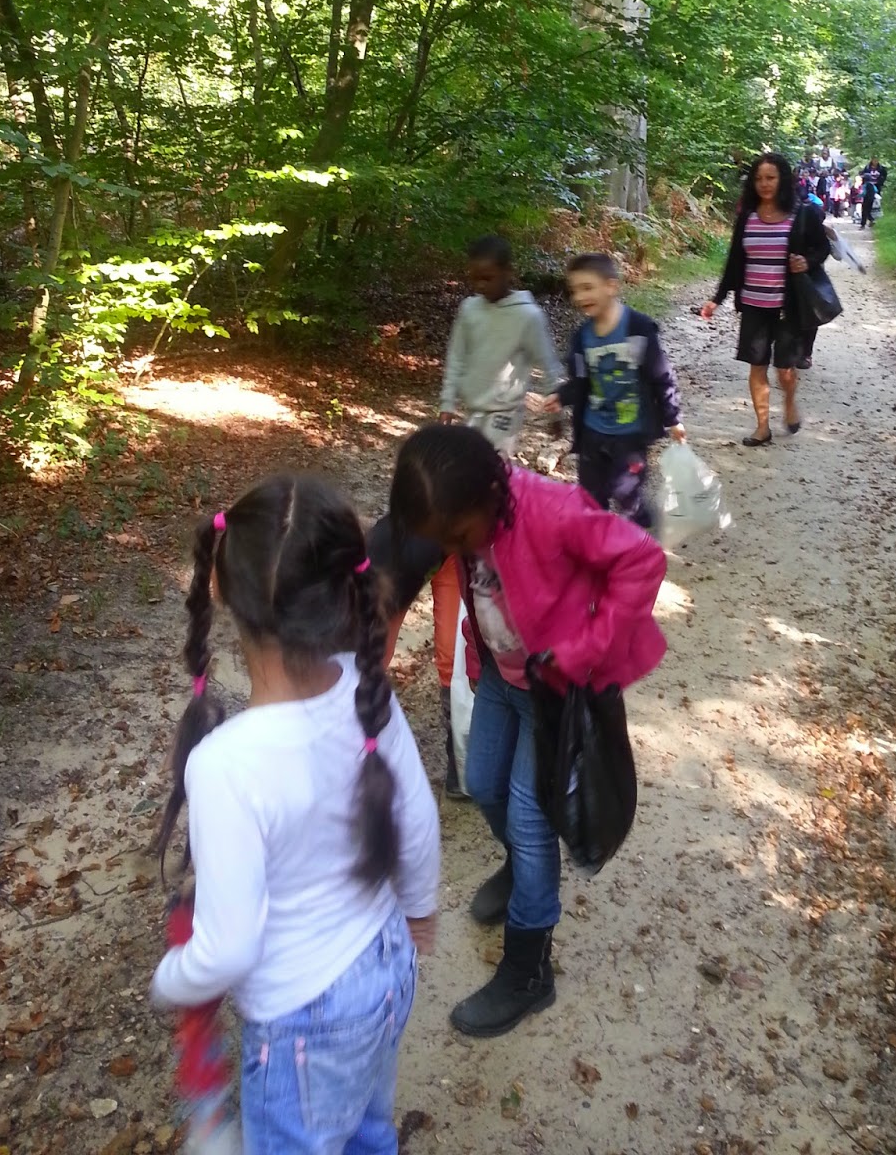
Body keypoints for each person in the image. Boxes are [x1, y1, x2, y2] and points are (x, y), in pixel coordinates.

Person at [150, 474, 441, 1154]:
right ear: (346, 584)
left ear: (220, 589)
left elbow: (227, 949)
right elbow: (420, 820)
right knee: (370, 1127)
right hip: (388, 965)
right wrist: (419, 914)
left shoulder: (226, 764)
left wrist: (173, 978)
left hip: (304, 1021)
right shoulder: (368, 694)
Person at [390, 424, 666, 1039]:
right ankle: (520, 867)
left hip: (553, 693)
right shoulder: (462, 523)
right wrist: (472, 646)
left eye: (459, 536)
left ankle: (528, 969)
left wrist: (584, 649)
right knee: (482, 783)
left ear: (492, 493)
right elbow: (480, 592)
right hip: (499, 676)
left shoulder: (552, 510)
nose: (456, 547)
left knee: (529, 817)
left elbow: (642, 560)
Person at [537, 252, 685, 529]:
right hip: (593, 431)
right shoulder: (582, 337)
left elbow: (661, 375)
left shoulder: (639, 329)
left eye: (587, 288)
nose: (580, 297)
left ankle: (637, 519)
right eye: (574, 291)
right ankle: (599, 544)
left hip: (630, 435)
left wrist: (672, 417)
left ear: (611, 286)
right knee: (591, 497)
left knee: (625, 491)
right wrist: (561, 396)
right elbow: (581, 381)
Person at [700, 153, 831, 444]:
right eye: (759, 178)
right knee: (756, 367)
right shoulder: (747, 216)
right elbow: (734, 260)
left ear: (782, 179)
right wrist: (717, 299)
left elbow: (822, 248)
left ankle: (789, 404)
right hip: (753, 305)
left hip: (788, 307)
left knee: (785, 370)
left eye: (770, 177)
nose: (764, 184)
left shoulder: (802, 213)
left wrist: (806, 263)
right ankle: (762, 427)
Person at [365, 511, 468, 799]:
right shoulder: (384, 557)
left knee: (454, 654)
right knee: (372, 658)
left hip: (455, 550)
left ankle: (460, 764)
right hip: (405, 556)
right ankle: (359, 751)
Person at [439, 233, 561, 453]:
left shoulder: (528, 316)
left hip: (506, 413)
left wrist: (556, 411)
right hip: (474, 409)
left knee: (490, 469)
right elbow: (456, 357)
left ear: (508, 273)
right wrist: (447, 402)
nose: (480, 285)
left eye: (488, 278)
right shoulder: (469, 309)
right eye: (475, 278)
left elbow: (547, 362)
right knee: (471, 467)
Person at [860, 158, 887, 228]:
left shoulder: (865, 185)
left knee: (865, 210)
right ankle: (871, 220)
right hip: (872, 197)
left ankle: (863, 224)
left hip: (867, 198)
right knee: (868, 210)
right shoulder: (871, 184)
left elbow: (863, 192)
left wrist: (859, 195)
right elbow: (875, 190)